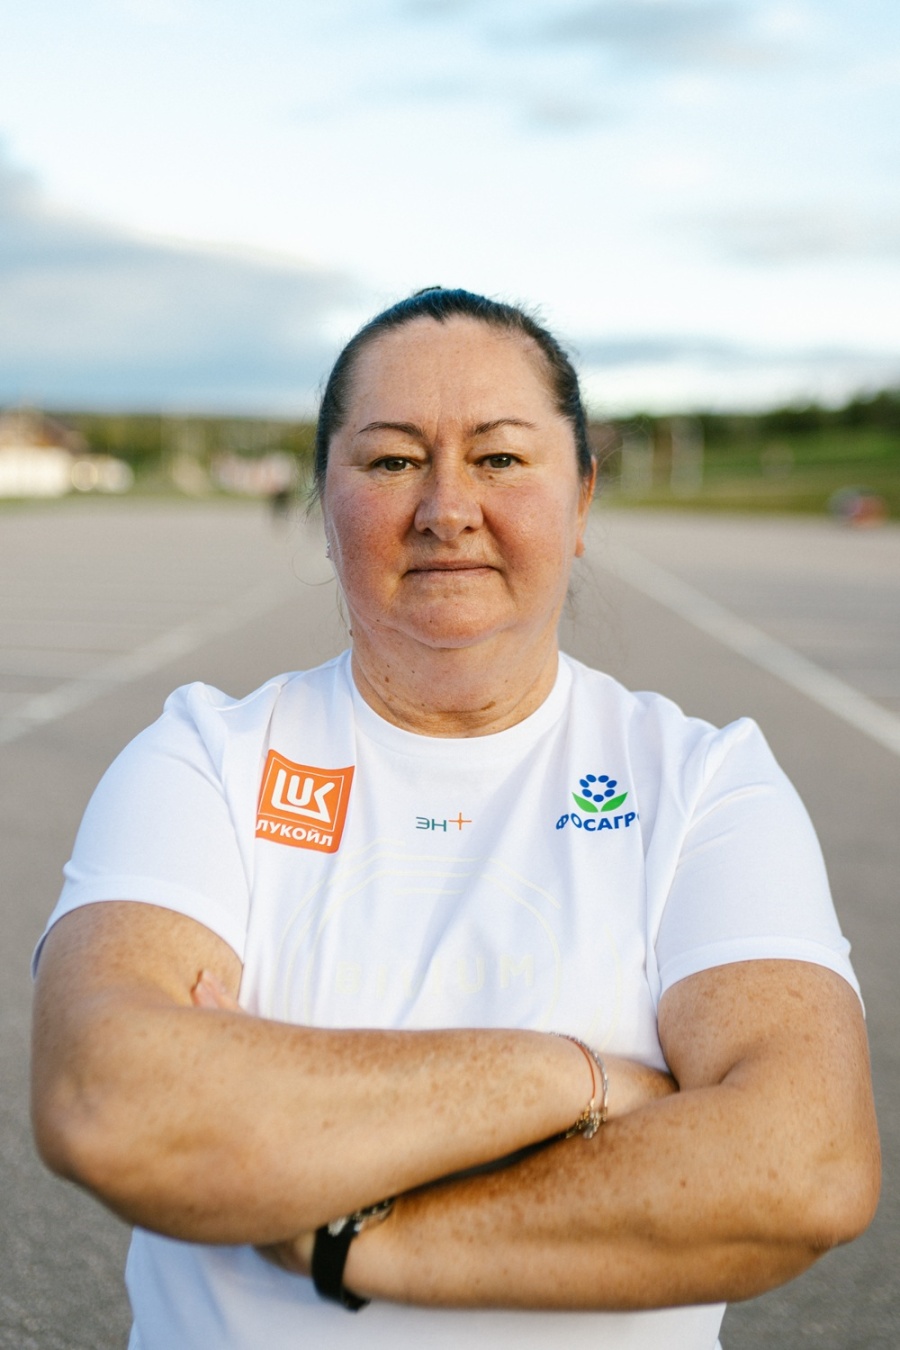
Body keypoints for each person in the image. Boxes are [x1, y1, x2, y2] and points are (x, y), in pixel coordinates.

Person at [31, 288, 880, 1350]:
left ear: (581, 498)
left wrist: (346, 1235)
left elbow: (806, 1166)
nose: (447, 508)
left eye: (500, 457)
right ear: (324, 501)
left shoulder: (705, 782)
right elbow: (112, 1104)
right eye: (392, 461)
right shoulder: (204, 759)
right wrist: (577, 1079)